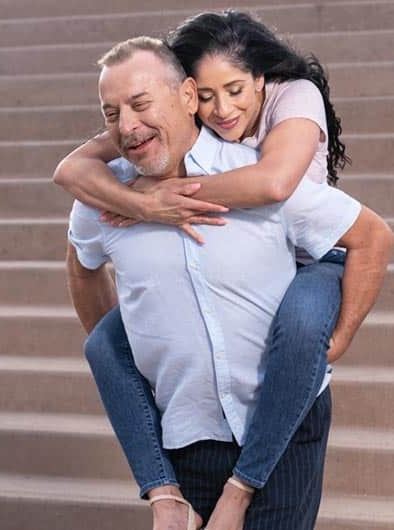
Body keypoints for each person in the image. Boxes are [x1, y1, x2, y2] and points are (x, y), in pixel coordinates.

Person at [55, 14, 393, 530]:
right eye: (111, 112)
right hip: (190, 436)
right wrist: (139, 357)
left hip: (285, 429)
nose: (126, 125)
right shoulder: (105, 199)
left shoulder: (257, 171)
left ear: (187, 96)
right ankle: (163, 492)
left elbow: (371, 236)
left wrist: (338, 340)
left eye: (141, 104)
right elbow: (82, 267)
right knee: (104, 342)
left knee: (304, 323)